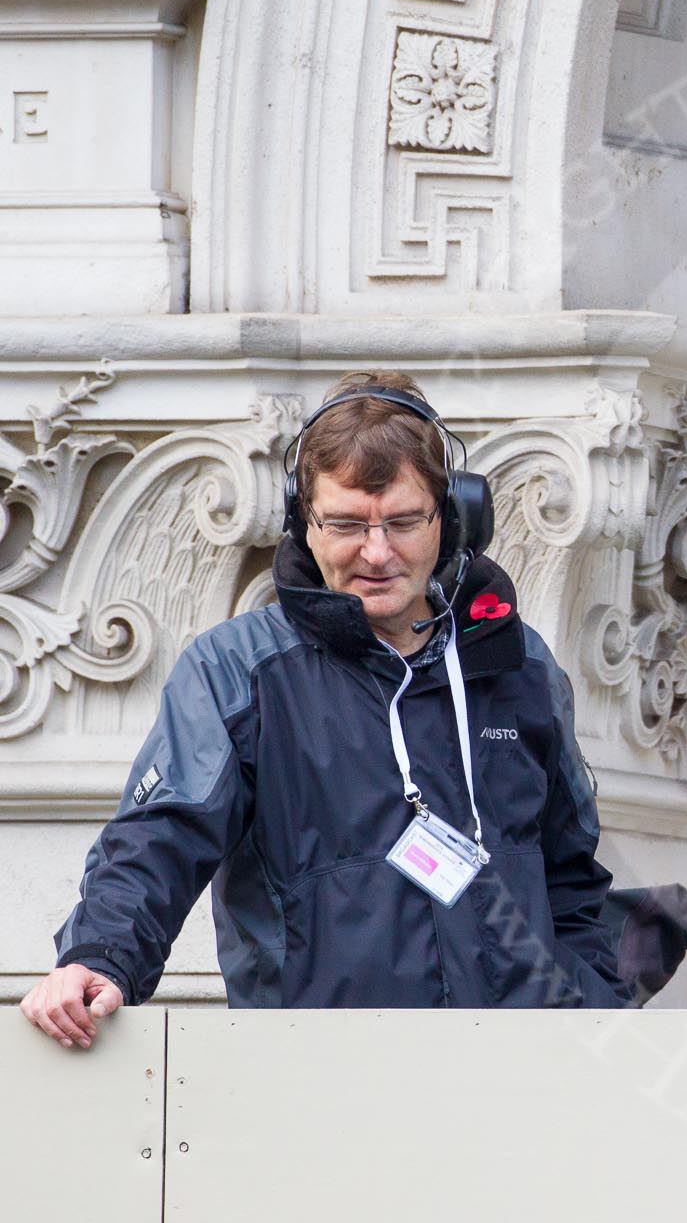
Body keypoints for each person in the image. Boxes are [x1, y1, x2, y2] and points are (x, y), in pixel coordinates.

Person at [19, 372, 624, 1048]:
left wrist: (593, 1016)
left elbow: (573, 879)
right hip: (314, 1081)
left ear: (450, 519)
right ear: (302, 524)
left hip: (522, 1080)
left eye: (402, 522)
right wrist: (99, 958)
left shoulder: (520, 667)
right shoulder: (238, 673)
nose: (376, 552)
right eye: (345, 525)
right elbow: (160, 839)